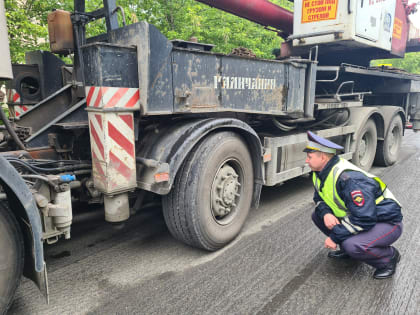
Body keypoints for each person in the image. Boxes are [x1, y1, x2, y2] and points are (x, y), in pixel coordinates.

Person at [304, 131, 403, 279]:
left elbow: (365, 218)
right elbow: (318, 198)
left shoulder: (348, 179)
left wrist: (335, 238)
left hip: (387, 222)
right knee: (317, 215)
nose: (306, 161)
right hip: (361, 216)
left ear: (323, 157)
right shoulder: (319, 173)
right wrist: (326, 213)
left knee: (354, 245)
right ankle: (348, 250)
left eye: (309, 157)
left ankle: (388, 258)